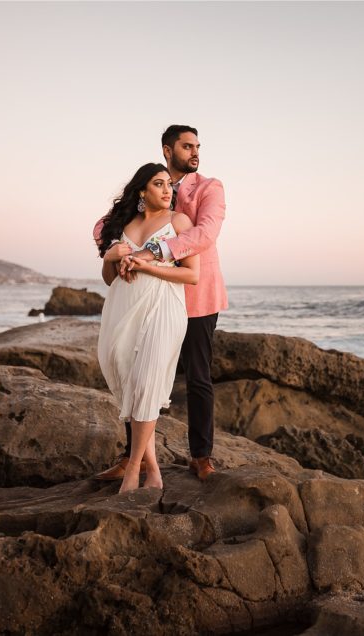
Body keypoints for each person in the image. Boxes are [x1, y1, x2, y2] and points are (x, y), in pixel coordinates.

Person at [94, 125, 228, 482]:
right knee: (136, 369)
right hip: (143, 297)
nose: (194, 152)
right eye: (187, 146)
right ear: (168, 150)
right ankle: (131, 457)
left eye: (197, 146)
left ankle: (201, 456)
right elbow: (104, 225)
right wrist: (115, 250)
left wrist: (151, 251)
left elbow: (205, 234)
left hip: (195, 297)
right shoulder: (149, 181)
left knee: (198, 376)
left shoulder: (209, 188)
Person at [95, 162, 200, 493]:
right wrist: (111, 256)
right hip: (123, 308)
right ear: (142, 191)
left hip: (164, 307)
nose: (168, 190)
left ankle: (133, 472)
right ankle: (153, 469)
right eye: (159, 184)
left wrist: (148, 266)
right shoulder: (124, 225)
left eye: (170, 184)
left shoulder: (179, 222)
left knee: (148, 381)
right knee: (129, 379)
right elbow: (110, 279)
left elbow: (192, 275)